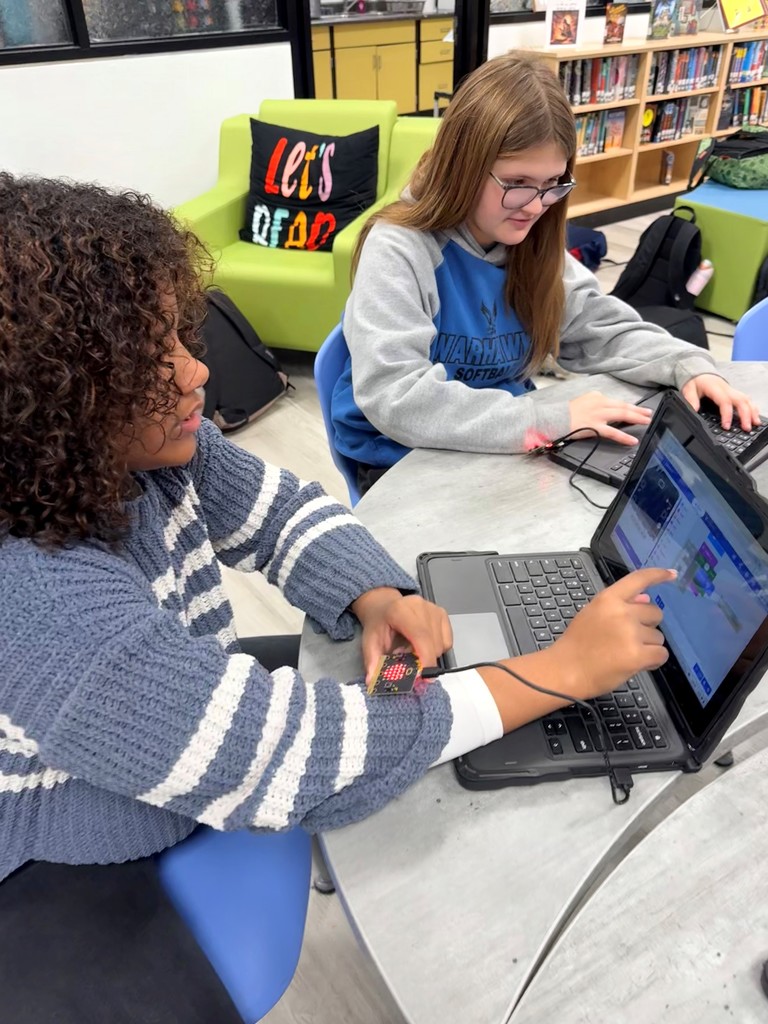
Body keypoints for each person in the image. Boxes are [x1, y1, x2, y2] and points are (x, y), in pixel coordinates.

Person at [0, 172, 675, 1023]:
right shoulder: (37, 602)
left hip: (167, 704)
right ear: (55, 406)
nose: (197, 371)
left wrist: (375, 593)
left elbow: (283, 510)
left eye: (176, 335)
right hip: (66, 852)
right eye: (149, 362)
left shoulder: (148, 456)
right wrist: (561, 672)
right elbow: (288, 759)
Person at [330, 52, 760, 495]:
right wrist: (549, 420)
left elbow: (601, 328)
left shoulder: (529, 241)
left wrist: (688, 367)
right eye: (517, 184)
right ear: (462, 167)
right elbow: (396, 398)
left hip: (508, 438)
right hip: (398, 457)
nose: (536, 206)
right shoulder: (399, 247)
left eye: (553, 184)